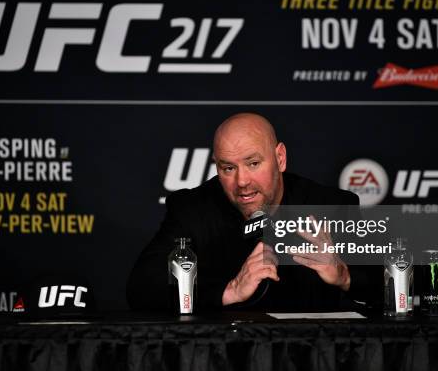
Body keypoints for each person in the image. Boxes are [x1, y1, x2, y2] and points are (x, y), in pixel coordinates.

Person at [127, 113, 376, 311]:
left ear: (280, 158)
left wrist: (345, 276)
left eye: (253, 163)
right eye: (228, 168)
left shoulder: (330, 206)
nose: (242, 181)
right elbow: (142, 288)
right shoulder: (192, 209)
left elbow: (399, 282)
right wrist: (230, 290)